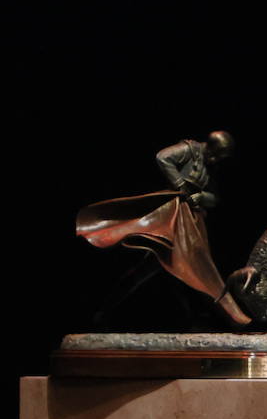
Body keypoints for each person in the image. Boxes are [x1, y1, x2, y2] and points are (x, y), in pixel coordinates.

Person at [77, 131, 251, 326]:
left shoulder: (209, 166)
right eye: (218, 153)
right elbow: (163, 157)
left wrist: (201, 198)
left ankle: (193, 318)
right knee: (175, 267)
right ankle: (104, 311)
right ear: (211, 147)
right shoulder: (190, 151)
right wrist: (180, 186)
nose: (218, 159)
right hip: (173, 218)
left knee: (183, 270)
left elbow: (214, 197)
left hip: (191, 222)